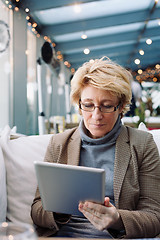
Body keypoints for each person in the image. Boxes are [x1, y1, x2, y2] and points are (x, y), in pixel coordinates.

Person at [31, 57, 160, 239]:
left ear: (121, 106)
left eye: (107, 106)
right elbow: (37, 209)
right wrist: (60, 211)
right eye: (88, 105)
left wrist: (118, 219)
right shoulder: (59, 143)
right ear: (79, 104)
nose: (96, 115)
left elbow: (155, 217)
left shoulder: (142, 144)